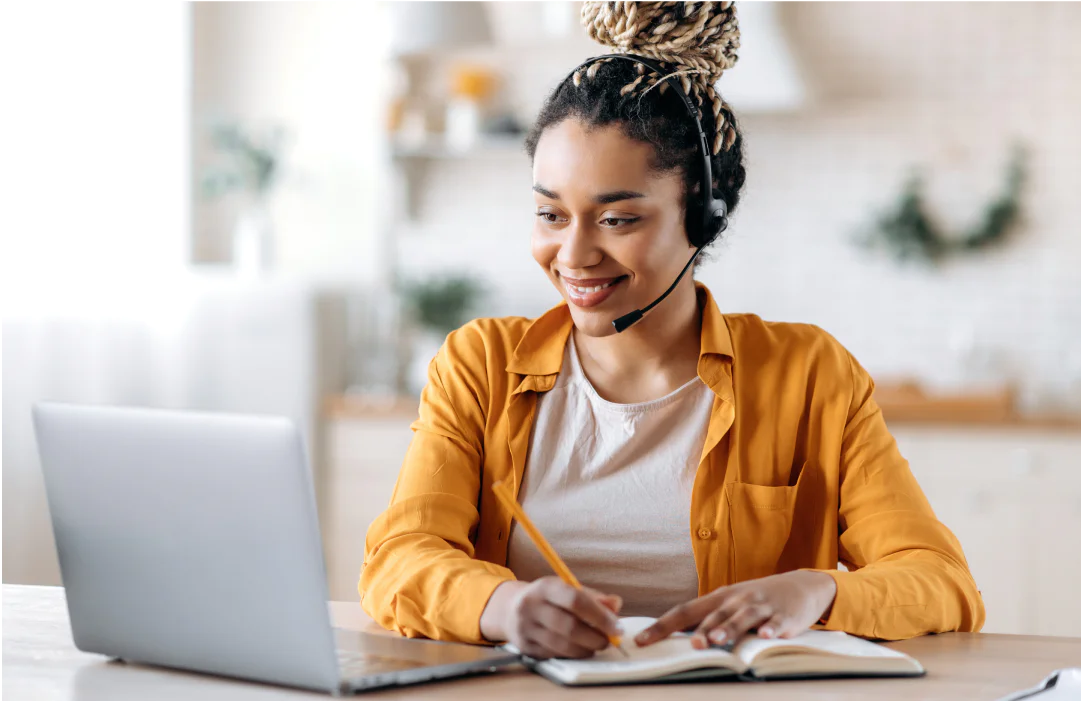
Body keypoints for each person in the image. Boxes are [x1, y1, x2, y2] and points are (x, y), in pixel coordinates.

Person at [361, 0, 984, 660]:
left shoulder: (807, 374)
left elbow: (942, 583)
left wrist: (817, 590)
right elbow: (399, 557)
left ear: (702, 218)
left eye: (617, 220)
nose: (572, 255)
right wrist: (501, 605)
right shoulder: (479, 362)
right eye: (549, 214)